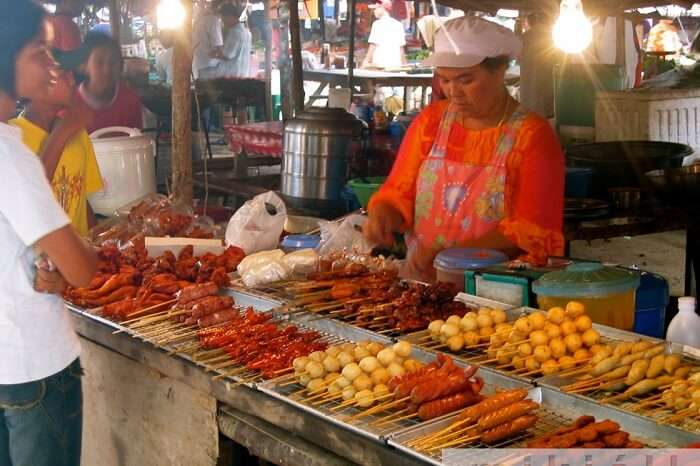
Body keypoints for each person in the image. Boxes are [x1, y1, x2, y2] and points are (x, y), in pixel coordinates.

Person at [364, 16, 565, 281]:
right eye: (445, 80)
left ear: (500, 71)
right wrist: (383, 213)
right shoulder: (430, 122)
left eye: (465, 80)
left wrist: (447, 254)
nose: (453, 91)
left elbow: (531, 230)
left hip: (495, 289)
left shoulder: (532, 135)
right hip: (423, 280)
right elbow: (398, 191)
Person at [0, 1, 98, 465]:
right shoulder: (10, 155)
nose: (53, 64)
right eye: (40, 50)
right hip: (35, 366)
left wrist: (42, 262)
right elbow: (82, 270)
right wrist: (74, 257)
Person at [11, 51, 103, 236]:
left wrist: (97, 242)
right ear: (36, 83)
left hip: (77, 255)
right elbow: (28, 202)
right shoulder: (12, 137)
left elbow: (80, 200)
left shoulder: (77, 133)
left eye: (72, 74)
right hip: (38, 261)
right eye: (63, 74)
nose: (72, 81)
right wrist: (61, 134)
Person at [76, 32, 143, 132]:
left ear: (121, 65)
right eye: (99, 62)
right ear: (84, 65)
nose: (107, 70)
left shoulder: (130, 101)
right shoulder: (69, 106)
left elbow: (137, 142)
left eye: (112, 62)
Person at [361, 0, 406, 70]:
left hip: (380, 67)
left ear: (383, 8)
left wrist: (365, 62)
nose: (374, 11)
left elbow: (372, 46)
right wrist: (404, 67)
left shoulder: (377, 24)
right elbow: (401, 50)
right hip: (396, 68)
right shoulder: (398, 24)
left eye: (376, 8)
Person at [215, 3, 252, 78]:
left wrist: (213, 55)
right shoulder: (248, 33)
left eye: (223, 18)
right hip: (244, 74)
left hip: (232, 76)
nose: (223, 22)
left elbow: (227, 55)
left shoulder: (234, 32)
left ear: (230, 16)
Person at [192, 0, 225, 79]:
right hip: (210, 66)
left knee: (203, 88)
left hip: (199, 63)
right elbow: (219, 47)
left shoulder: (199, 19)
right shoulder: (213, 20)